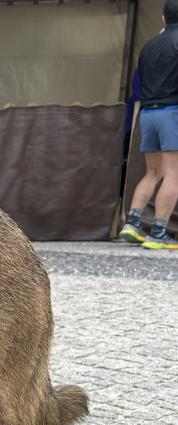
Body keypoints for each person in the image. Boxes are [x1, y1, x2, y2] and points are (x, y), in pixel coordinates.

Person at [122, 0, 178, 251]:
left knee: (153, 172)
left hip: (148, 113)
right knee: (174, 173)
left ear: (163, 19)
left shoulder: (149, 46)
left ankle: (132, 223)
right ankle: (158, 232)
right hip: (172, 112)